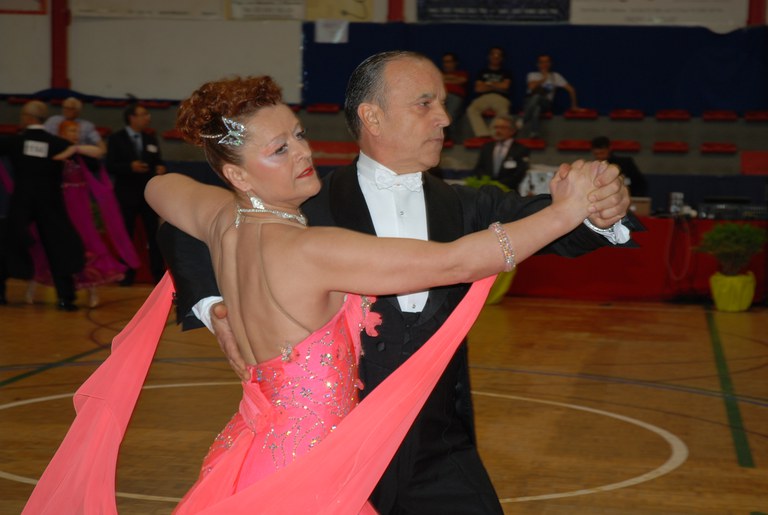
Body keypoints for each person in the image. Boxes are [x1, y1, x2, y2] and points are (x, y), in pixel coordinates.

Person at [23, 74, 621, 513]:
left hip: (253, 450)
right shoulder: (311, 249)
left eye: (299, 135)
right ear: (237, 173)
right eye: (279, 150)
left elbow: (160, 186)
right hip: (308, 475)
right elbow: (458, 260)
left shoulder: (223, 221)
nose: (304, 152)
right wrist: (562, 212)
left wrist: (224, 262)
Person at [26, 120, 139, 307]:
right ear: (62, 132)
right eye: (71, 131)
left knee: (86, 244)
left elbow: (99, 152)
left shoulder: (81, 153)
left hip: (80, 208)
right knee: (47, 246)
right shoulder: (54, 150)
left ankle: (91, 291)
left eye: (76, 131)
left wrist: (75, 148)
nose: (75, 134)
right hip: (59, 205)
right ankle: (33, 288)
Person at [0, 101, 85, 311]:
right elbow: (92, 156)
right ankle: (65, 297)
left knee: (8, 241)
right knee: (58, 246)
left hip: (22, 201)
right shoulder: (57, 143)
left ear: (26, 118)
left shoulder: (15, 142)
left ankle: (1, 294)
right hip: (51, 201)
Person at [105, 103, 167, 285]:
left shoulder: (150, 138)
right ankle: (126, 275)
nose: (148, 117)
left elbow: (158, 161)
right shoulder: (116, 138)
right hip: (126, 194)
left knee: (154, 235)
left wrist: (161, 168)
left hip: (149, 195)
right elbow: (110, 165)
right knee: (127, 236)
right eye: (143, 114)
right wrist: (129, 167)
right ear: (132, 117)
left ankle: (157, 275)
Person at [521, 54, 580, 137]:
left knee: (537, 97)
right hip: (529, 101)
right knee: (536, 108)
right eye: (541, 62)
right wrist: (544, 79)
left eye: (546, 62)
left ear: (550, 63)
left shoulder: (555, 76)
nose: (544, 64)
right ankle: (534, 133)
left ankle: (523, 120)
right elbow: (531, 87)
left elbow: (571, 90)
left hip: (545, 103)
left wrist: (574, 106)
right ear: (537, 64)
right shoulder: (532, 75)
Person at [473, 113, 531, 191]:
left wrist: (499, 185)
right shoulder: (487, 147)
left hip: (509, 191)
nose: (498, 131)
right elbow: (479, 168)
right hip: (487, 190)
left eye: (502, 128)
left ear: (512, 131)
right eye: (496, 127)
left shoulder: (521, 149)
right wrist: (488, 184)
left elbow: (519, 173)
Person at [465, 46, 514, 137]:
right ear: (489, 56)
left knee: (504, 112)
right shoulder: (482, 72)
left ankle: (495, 135)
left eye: (498, 55)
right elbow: (478, 89)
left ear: (502, 58)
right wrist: (497, 85)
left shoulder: (506, 72)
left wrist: (488, 84)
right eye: (493, 54)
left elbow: (505, 87)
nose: (495, 57)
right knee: (471, 110)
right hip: (483, 98)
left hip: (500, 98)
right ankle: (483, 134)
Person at [440, 52, 469, 142]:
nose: (447, 64)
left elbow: (462, 80)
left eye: (449, 61)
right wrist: (452, 78)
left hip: (455, 96)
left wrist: (445, 79)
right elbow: (437, 81)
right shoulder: (438, 73)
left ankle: (453, 140)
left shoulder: (461, 73)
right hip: (440, 97)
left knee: (450, 115)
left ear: (455, 63)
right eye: (445, 62)